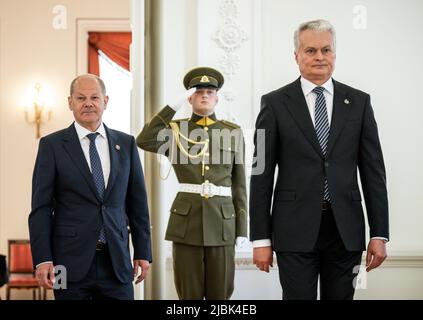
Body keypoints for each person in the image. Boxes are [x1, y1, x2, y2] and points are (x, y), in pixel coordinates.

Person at [249, 19, 389, 300]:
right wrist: (261, 239)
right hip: (293, 230)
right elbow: (260, 173)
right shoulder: (274, 103)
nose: (319, 57)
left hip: (346, 231)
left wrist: (379, 233)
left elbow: (373, 171)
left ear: (334, 54)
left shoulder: (359, 103)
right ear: (297, 56)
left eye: (326, 50)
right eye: (310, 50)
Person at [29, 74, 152, 300]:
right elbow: (41, 208)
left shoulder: (126, 144)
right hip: (67, 263)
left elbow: (138, 204)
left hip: (117, 262)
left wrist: (143, 252)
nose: (88, 103)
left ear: (105, 101)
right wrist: (43, 258)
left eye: (94, 97)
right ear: (70, 103)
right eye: (81, 98)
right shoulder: (52, 145)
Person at [137, 67, 247, 300]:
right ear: (190, 97)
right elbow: (144, 139)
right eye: (198, 92)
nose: (204, 95)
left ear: (217, 97)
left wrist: (242, 227)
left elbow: (239, 184)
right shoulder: (176, 131)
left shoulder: (233, 132)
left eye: (209, 91)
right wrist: (172, 108)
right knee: (189, 297)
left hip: (223, 223)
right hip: (187, 224)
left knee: (221, 297)